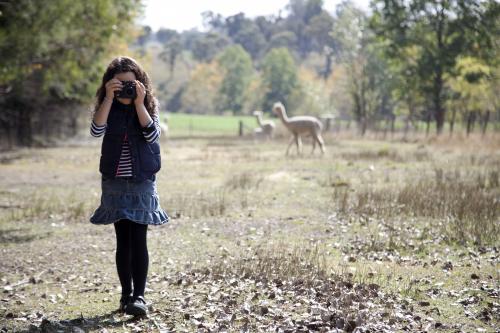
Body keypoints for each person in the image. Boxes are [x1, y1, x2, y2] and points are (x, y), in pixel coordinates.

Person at [88, 56, 169, 317]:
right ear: (110, 84)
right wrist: (108, 99)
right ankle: (125, 296)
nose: (125, 88)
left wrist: (139, 103)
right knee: (123, 241)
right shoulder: (107, 106)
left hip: (141, 182)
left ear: (140, 84)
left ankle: (139, 296)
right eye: (119, 83)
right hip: (114, 182)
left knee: (139, 239)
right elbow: (96, 130)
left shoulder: (147, 107)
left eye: (130, 84)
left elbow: (152, 134)